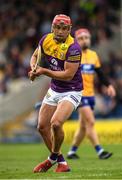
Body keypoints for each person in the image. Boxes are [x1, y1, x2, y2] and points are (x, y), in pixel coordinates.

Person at [28, 14, 83, 173]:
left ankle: (51, 158)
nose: (60, 31)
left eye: (64, 28)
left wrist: (43, 71)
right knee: (42, 127)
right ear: (52, 28)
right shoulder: (46, 39)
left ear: (69, 30)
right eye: (57, 28)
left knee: (56, 123)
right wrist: (33, 68)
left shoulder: (74, 48)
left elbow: (68, 75)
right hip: (55, 89)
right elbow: (35, 56)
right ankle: (60, 161)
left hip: (72, 90)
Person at [67, 28, 116, 160]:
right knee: (91, 121)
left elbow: (100, 73)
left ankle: (72, 151)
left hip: (90, 94)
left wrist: (109, 85)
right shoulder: (73, 55)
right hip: (78, 94)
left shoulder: (93, 55)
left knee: (83, 126)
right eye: (81, 38)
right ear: (76, 41)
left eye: (86, 37)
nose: (84, 40)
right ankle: (100, 151)